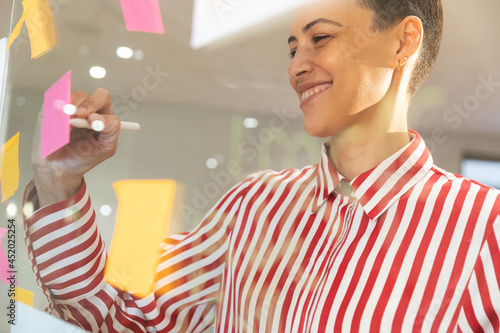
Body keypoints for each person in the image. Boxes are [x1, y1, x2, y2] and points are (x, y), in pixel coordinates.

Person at [24, 0, 500, 332]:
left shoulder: (485, 229)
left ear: (403, 42)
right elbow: (115, 321)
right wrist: (57, 180)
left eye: (320, 37)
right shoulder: (252, 206)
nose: (296, 66)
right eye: (294, 47)